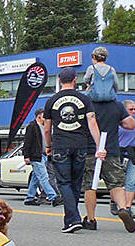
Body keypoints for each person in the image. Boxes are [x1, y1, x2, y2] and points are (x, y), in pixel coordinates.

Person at [44, 66, 103, 233]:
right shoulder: (84, 99)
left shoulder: (51, 101)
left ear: (60, 81)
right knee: (76, 183)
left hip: (60, 145)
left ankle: (72, 219)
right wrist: (99, 145)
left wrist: (48, 146)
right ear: (75, 80)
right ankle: (71, 219)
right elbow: (92, 121)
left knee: (63, 182)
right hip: (80, 144)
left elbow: (47, 129)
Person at [81, 94, 135, 232]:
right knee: (116, 185)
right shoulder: (117, 105)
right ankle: (123, 208)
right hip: (111, 149)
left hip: (90, 149)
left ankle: (91, 219)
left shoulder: (86, 104)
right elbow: (130, 124)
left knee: (90, 186)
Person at [22, 108, 59, 206]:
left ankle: (29, 198)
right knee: (43, 177)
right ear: (39, 116)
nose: (46, 118)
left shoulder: (44, 127)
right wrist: (26, 156)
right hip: (36, 156)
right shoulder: (32, 126)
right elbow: (27, 142)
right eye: (44, 116)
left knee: (36, 178)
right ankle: (53, 196)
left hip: (43, 155)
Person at [116, 99, 135, 214]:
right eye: (131, 109)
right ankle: (117, 203)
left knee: (131, 182)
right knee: (118, 181)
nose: (133, 111)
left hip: (133, 153)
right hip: (120, 153)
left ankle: (128, 207)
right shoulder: (117, 123)